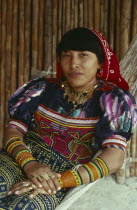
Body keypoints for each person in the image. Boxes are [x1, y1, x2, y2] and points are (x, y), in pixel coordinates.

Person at [0, 27, 137, 210]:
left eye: (83, 55)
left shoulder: (113, 100)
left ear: (100, 63)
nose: (74, 64)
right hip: (20, 158)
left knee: (21, 207)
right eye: (67, 55)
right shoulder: (41, 90)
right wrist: (30, 164)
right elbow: (13, 130)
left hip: (62, 175)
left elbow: (114, 158)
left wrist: (58, 181)